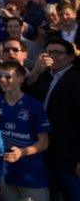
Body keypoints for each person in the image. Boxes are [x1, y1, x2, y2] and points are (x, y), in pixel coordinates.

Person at [0, 61, 50, 201]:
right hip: (6, 173)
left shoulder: (34, 105)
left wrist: (21, 152)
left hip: (31, 174)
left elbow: (44, 143)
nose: (2, 80)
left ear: (20, 79)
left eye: (7, 76)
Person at [24, 38, 80, 200]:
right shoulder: (44, 76)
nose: (53, 56)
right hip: (45, 148)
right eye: (49, 52)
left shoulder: (76, 79)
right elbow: (27, 96)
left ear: (71, 57)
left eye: (58, 53)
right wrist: (35, 71)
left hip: (68, 154)